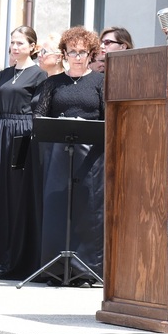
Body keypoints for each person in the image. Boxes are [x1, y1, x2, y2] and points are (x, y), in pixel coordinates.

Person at [31, 26, 106, 283]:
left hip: (91, 157)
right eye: (72, 51)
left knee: (87, 211)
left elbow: (109, 119)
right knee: (57, 209)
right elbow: (40, 116)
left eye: (82, 52)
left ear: (91, 54)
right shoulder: (53, 83)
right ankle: (56, 269)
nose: (77, 56)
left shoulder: (100, 82)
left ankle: (86, 270)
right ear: (63, 53)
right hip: (59, 154)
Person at [0, 26, 47, 278]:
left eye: (20, 43)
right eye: (12, 42)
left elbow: (38, 110)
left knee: (19, 197)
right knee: (0, 197)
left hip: (23, 134)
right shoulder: (2, 75)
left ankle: (18, 260)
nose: (15, 47)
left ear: (32, 46)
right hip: (2, 132)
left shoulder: (39, 75)